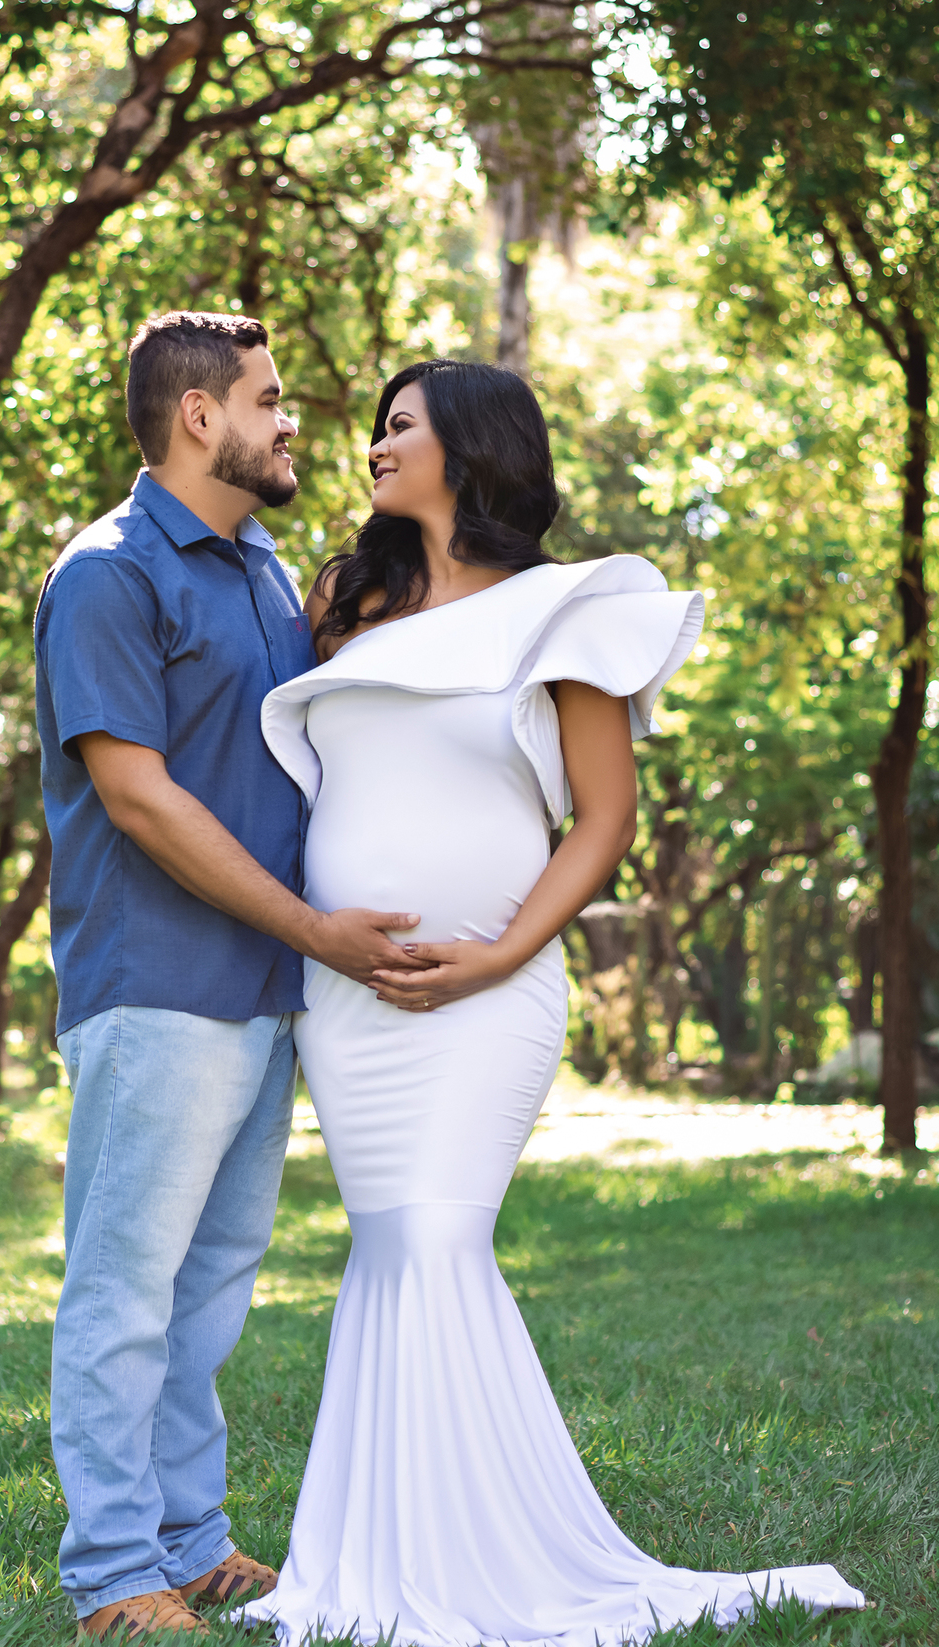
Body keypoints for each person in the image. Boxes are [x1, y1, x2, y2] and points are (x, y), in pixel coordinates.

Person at [244, 359, 865, 1647]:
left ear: (470, 448)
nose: (372, 447)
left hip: (491, 993)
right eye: (373, 429)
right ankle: (371, 1564)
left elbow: (605, 819)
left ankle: (485, 1567)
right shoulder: (348, 600)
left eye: (398, 426)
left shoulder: (565, 611)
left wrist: (498, 952)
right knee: (389, 1253)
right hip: (347, 997)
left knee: (435, 1243)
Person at [33, 312, 428, 1644]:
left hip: (263, 995)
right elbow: (139, 799)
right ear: (199, 416)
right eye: (269, 399)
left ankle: (191, 1544)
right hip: (156, 991)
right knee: (125, 1291)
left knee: (207, 1294)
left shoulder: (262, 572)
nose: (289, 422)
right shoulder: (109, 573)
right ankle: (110, 1575)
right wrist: (318, 933)